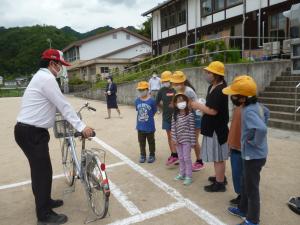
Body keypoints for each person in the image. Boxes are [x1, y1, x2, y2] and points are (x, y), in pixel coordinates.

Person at [14, 49, 94, 224]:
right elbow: (63, 105)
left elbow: (56, 105)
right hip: (31, 132)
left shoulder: (40, 77)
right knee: (41, 172)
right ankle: (44, 215)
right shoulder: (47, 79)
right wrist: (81, 126)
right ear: (52, 63)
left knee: (42, 170)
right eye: (60, 65)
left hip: (29, 131)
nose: (61, 69)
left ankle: (45, 201)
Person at [223, 75, 269, 225]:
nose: (232, 97)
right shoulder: (256, 106)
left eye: (234, 95)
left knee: (252, 188)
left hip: (253, 156)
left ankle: (252, 220)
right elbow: (266, 113)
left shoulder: (248, 111)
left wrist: (253, 142)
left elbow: (261, 129)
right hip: (251, 154)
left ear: (242, 98)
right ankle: (242, 208)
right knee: (244, 182)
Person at [190, 61, 229, 192]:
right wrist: (203, 106)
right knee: (216, 156)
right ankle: (220, 177)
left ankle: (220, 183)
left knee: (218, 157)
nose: (206, 74)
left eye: (209, 72)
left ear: (216, 75)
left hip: (217, 129)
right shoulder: (212, 86)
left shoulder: (220, 89)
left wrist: (198, 106)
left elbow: (213, 111)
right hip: (212, 127)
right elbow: (210, 107)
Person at [171, 71, 204, 171]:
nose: (175, 85)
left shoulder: (189, 91)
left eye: (177, 84)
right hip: (186, 117)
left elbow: (194, 106)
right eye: (174, 84)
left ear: (183, 82)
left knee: (193, 141)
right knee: (185, 140)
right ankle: (186, 161)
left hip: (194, 117)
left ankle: (199, 161)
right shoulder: (178, 91)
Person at [171, 94, 196, 186]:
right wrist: (174, 139)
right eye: (178, 101)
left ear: (186, 102)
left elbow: (192, 129)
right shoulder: (175, 115)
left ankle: (189, 176)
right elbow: (173, 128)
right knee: (180, 158)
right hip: (178, 141)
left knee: (187, 158)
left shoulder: (190, 115)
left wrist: (193, 142)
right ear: (175, 103)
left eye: (182, 100)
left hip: (187, 141)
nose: (181, 103)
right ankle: (182, 174)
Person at [156, 71, 178, 165]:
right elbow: (157, 101)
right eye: (164, 81)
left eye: (167, 80)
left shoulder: (176, 89)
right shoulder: (162, 90)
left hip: (177, 117)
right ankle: (173, 154)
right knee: (170, 136)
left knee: (177, 136)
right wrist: (164, 108)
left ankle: (179, 155)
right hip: (166, 117)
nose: (165, 82)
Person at [135, 81, 157, 163]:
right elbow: (138, 110)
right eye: (139, 90)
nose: (141, 91)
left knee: (151, 141)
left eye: (142, 90)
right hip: (140, 126)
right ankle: (143, 155)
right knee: (141, 141)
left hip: (149, 126)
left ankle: (152, 155)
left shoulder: (152, 101)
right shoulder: (137, 101)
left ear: (147, 90)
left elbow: (154, 111)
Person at [228, 104, 243, 206]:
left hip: (242, 148)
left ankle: (244, 198)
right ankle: (240, 195)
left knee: (242, 174)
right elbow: (233, 127)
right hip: (234, 146)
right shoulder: (237, 108)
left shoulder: (249, 109)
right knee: (236, 173)